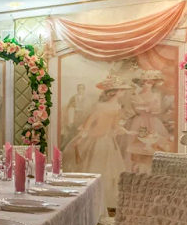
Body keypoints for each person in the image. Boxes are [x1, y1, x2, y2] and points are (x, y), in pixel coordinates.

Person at [61, 75, 133, 208]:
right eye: (121, 89)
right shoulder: (100, 106)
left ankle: (105, 202)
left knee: (109, 170)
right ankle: (90, 201)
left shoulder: (117, 106)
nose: (123, 92)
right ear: (114, 91)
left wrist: (126, 131)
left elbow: (115, 125)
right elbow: (88, 124)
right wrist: (81, 137)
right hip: (95, 139)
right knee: (94, 167)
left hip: (108, 140)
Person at [124, 70, 172, 172]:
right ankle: (136, 170)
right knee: (137, 147)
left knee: (154, 146)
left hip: (153, 122)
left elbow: (157, 109)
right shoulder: (135, 96)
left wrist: (148, 108)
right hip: (139, 122)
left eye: (149, 83)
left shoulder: (156, 95)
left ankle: (151, 170)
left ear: (153, 84)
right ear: (141, 84)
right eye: (144, 82)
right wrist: (147, 108)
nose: (146, 85)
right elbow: (136, 109)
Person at [62, 83, 89, 148]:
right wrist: (74, 109)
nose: (81, 89)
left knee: (82, 129)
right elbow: (69, 106)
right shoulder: (74, 97)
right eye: (79, 88)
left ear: (84, 89)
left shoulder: (86, 98)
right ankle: (71, 144)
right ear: (77, 89)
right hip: (75, 116)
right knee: (74, 129)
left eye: (82, 88)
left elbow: (88, 107)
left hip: (83, 116)